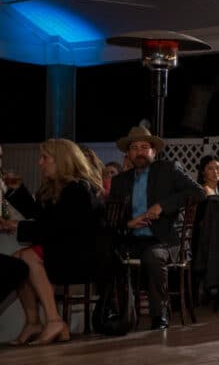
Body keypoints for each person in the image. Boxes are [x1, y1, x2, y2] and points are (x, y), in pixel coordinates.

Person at [0, 139, 103, 345]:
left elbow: (57, 228)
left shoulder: (77, 189)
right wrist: (16, 191)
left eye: (45, 158)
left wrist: (17, 227)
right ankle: (33, 322)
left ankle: (54, 320)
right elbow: (43, 217)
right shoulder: (58, 188)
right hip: (66, 250)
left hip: (82, 257)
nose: (40, 162)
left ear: (61, 161)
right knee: (18, 260)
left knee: (27, 256)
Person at [108, 126, 204, 330]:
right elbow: (111, 218)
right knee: (107, 253)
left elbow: (198, 192)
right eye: (134, 148)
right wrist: (128, 224)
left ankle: (159, 315)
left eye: (144, 147)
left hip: (165, 239)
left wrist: (164, 206)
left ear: (154, 151)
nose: (140, 152)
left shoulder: (168, 169)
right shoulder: (120, 181)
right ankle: (118, 313)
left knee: (153, 256)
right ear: (128, 153)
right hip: (132, 239)